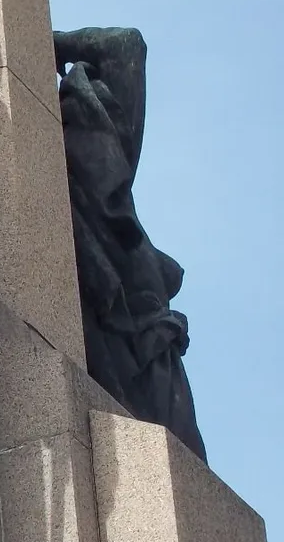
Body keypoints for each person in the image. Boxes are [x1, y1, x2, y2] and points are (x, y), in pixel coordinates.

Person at [54, 26, 206, 460]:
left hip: (146, 343)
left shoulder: (104, 176)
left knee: (179, 460)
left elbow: (125, 44)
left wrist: (42, 40)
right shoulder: (68, 194)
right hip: (116, 345)